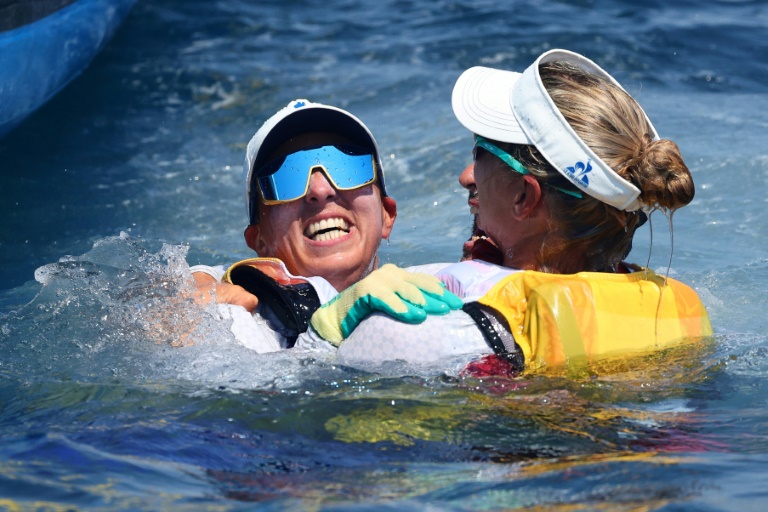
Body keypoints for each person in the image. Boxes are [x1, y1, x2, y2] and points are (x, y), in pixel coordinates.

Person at [305, 49, 713, 376]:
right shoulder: (681, 315)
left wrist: (323, 333)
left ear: (524, 197)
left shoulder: (419, 333)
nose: (467, 176)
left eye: (480, 153)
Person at [191, 99, 460, 352]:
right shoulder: (234, 322)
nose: (320, 189)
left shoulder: (443, 291)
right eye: (286, 176)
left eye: (347, 165)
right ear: (259, 240)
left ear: (387, 214)